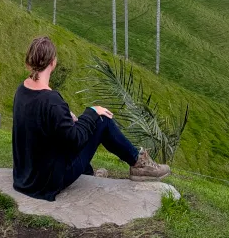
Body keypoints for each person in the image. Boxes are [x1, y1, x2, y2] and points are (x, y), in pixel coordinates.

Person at [12, 36, 170, 201]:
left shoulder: (22, 90)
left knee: (81, 123)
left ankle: (89, 172)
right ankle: (139, 164)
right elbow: (76, 140)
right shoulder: (52, 101)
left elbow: (39, 122)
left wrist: (67, 116)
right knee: (102, 121)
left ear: (29, 61)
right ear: (53, 62)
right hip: (47, 183)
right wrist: (92, 112)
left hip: (26, 177)